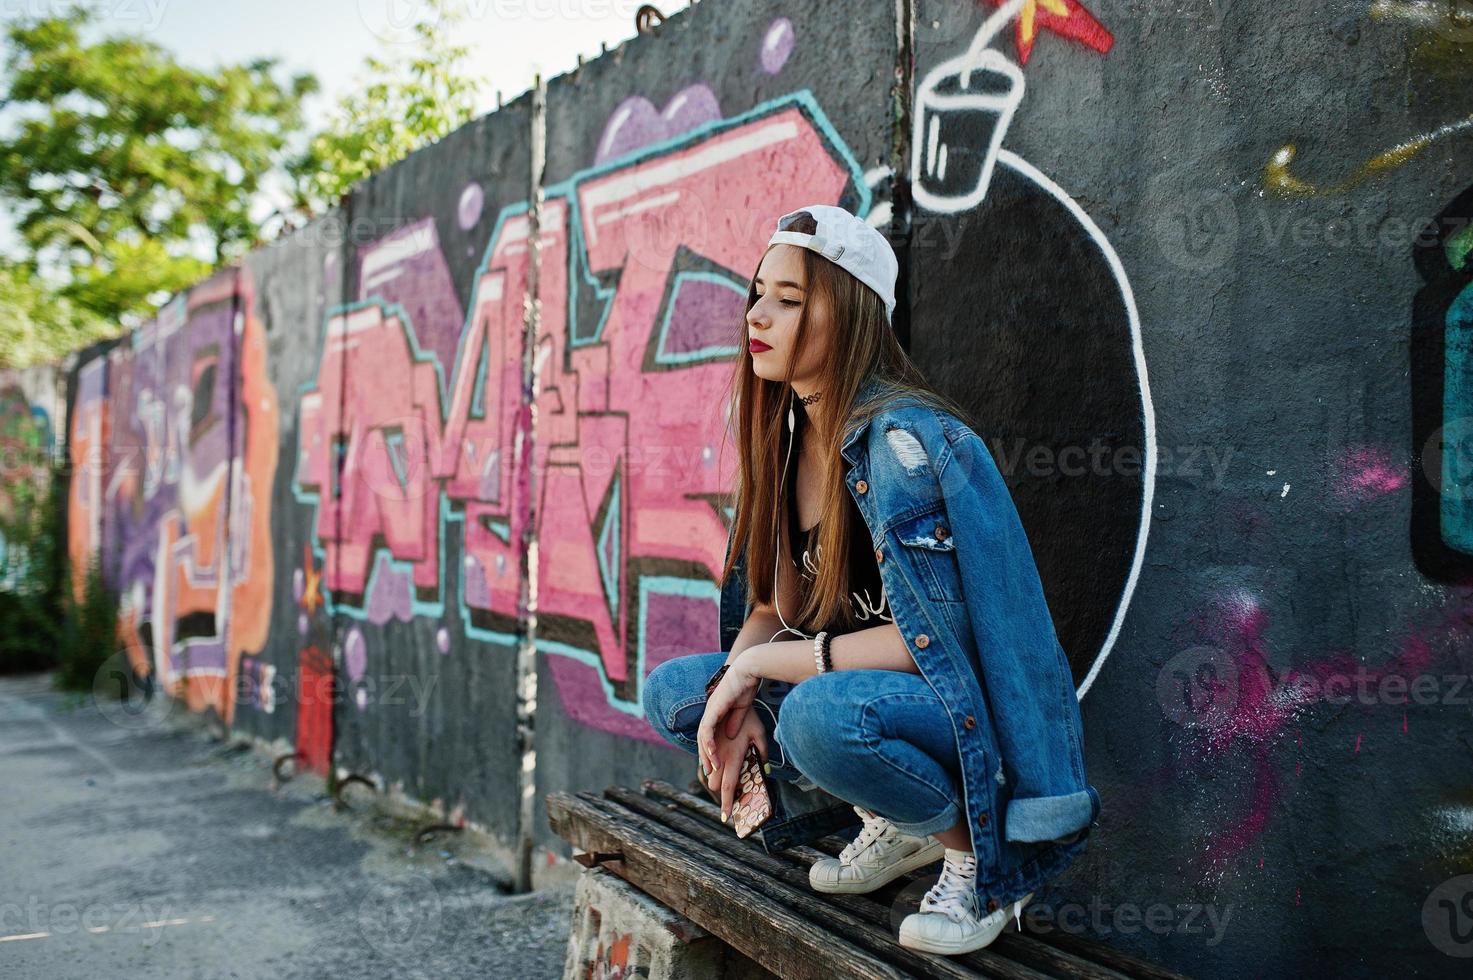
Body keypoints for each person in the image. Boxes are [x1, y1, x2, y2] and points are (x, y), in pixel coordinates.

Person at [642, 204, 1100, 956]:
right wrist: (739, 685)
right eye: (757, 293)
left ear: (850, 313)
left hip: (954, 705)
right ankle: (894, 816)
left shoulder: (910, 444)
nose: (756, 314)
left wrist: (757, 669)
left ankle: (975, 857)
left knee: (819, 719)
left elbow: (942, 645)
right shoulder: (783, 437)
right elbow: (770, 606)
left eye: (787, 299)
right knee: (679, 693)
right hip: (856, 688)